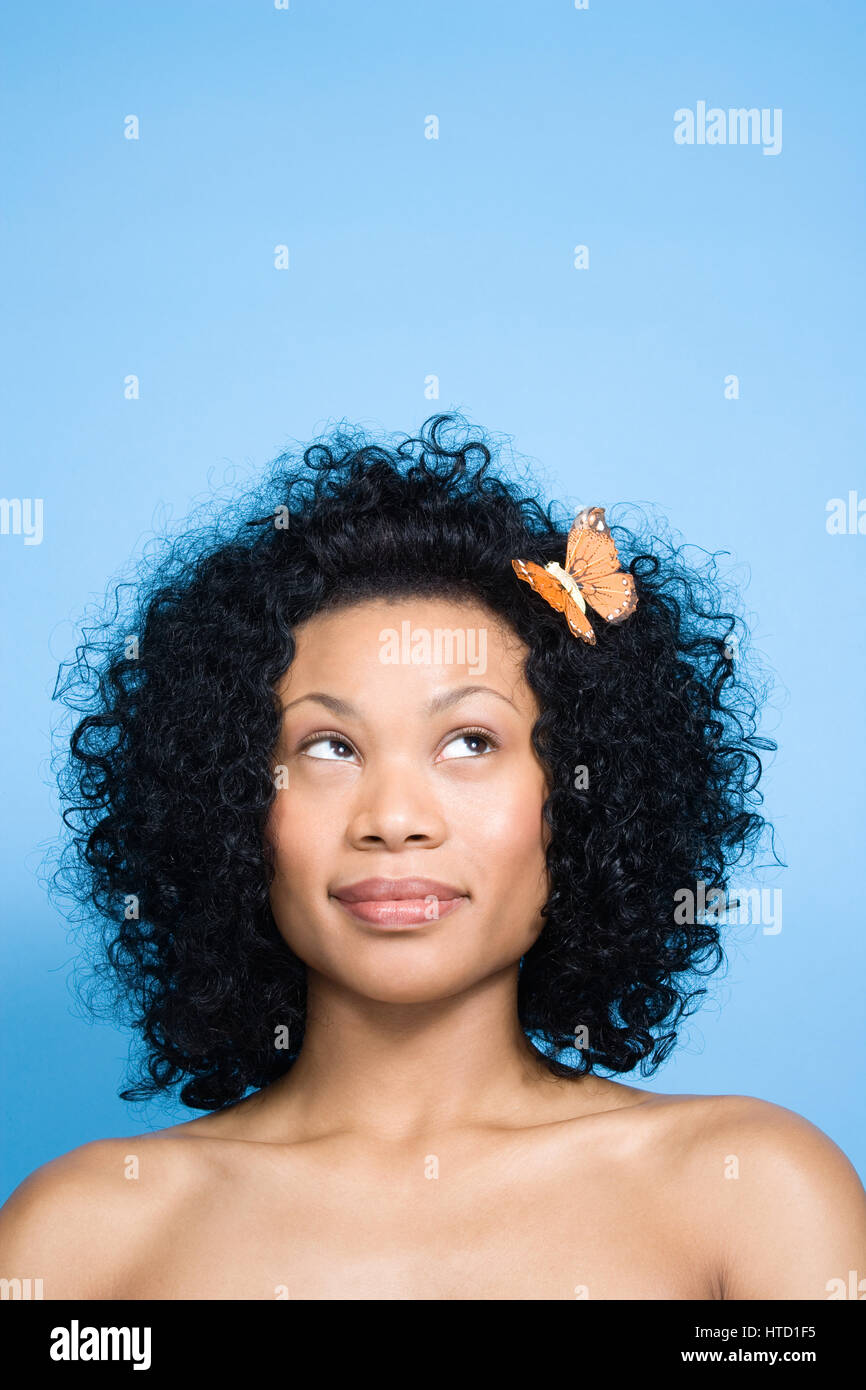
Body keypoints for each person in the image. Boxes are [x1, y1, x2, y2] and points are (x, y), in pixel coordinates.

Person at [1, 415, 864, 1300]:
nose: (396, 819)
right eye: (329, 747)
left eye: (470, 742)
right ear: (229, 804)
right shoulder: (87, 1240)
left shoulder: (751, 1197)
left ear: (581, 793)